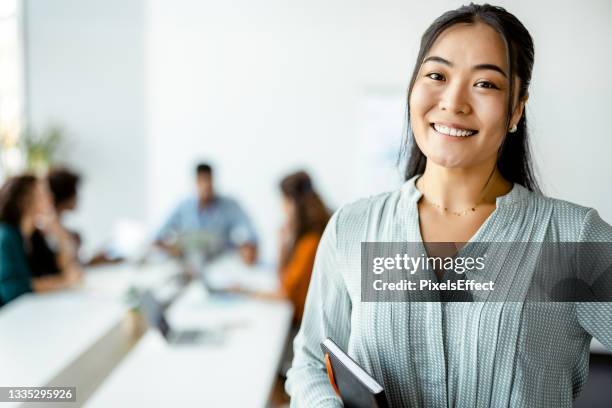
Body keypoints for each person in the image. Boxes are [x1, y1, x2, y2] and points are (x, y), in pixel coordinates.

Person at [286, 4, 612, 407]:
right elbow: (311, 363)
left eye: (486, 84)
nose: (454, 101)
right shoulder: (352, 228)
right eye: (437, 75)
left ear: (516, 110)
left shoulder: (572, 239)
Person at [0, 175, 81, 307]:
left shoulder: (34, 236)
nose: (51, 197)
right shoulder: (6, 236)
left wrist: (59, 234)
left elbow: (63, 270)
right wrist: (63, 282)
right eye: (43, 192)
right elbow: (13, 290)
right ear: (24, 200)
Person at [154, 163, 258, 265]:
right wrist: (170, 248)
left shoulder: (229, 206)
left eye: (208, 180)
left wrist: (248, 248)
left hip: (220, 263)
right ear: (196, 182)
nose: (205, 186)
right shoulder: (184, 207)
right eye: (202, 181)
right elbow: (158, 236)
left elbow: (250, 233)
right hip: (188, 264)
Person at [28, 167, 85, 277]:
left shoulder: (60, 228)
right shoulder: (39, 231)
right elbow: (64, 269)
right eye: (75, 191)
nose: (78, 196)